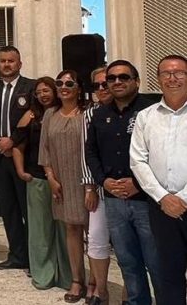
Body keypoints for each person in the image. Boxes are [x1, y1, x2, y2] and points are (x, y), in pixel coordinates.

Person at [85, 60, 162, 305]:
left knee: (157, 262)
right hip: (114, 200)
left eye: (124, 77)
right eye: (112, 78)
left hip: (147, 200)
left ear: (136, 81)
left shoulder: (152, 110)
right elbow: (91, 153)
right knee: (128, 262)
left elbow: (163, 154)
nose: (117, 82)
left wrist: (139, 184)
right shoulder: (100, 114)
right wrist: (103, 181)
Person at [130, 54, 187, 305]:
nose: (172, 78)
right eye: (166, 73)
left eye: (179, 72)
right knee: (169, 273)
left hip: (182, 201)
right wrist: (164, 197)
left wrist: (182, 198)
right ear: (158, 79)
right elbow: (138, 161)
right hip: (161, 208)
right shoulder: (146, 117)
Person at [11, 77, 71, 291]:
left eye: (47, 90)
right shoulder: (32, 116)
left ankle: (68, 275)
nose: (43, 95)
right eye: (39, 92)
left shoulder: (65, 113)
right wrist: (21, 171)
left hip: (65, 180)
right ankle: (43, 274)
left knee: (66, 230)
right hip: (37, 178)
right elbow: (17, 145)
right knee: (40, 230)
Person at [0, 45, 34, 271]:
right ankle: (17, 255)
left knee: (27, 210)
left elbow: (33, 118)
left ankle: (35, 258)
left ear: (19, 64)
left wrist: (12, 141)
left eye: (11, 61)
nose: (7, 65)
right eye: (3, 61)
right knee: (8, 210)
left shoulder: (30, 87)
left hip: (22, 156)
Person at [39, 71, 88, 302]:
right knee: (71, 229)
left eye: (70, 83)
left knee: (96, 234)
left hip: (87, 181)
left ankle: (97, 281)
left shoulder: (88, 113)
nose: (64, 87)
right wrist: (50, 177)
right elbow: (45, 149)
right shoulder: (50, 114)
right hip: (60, 182)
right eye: (59, 83)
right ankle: (77, 280)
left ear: (79, 88)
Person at [82, 66, 113, 305]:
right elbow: (87, 153)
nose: (102, 88)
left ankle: (127, 295)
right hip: (100, 189)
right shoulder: (90, 114)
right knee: (96, 241)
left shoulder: (138, 110)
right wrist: (90, 187)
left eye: (107, 83)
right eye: (97, 85)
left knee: (127, 246)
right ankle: (101, 292)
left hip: (132, 189)